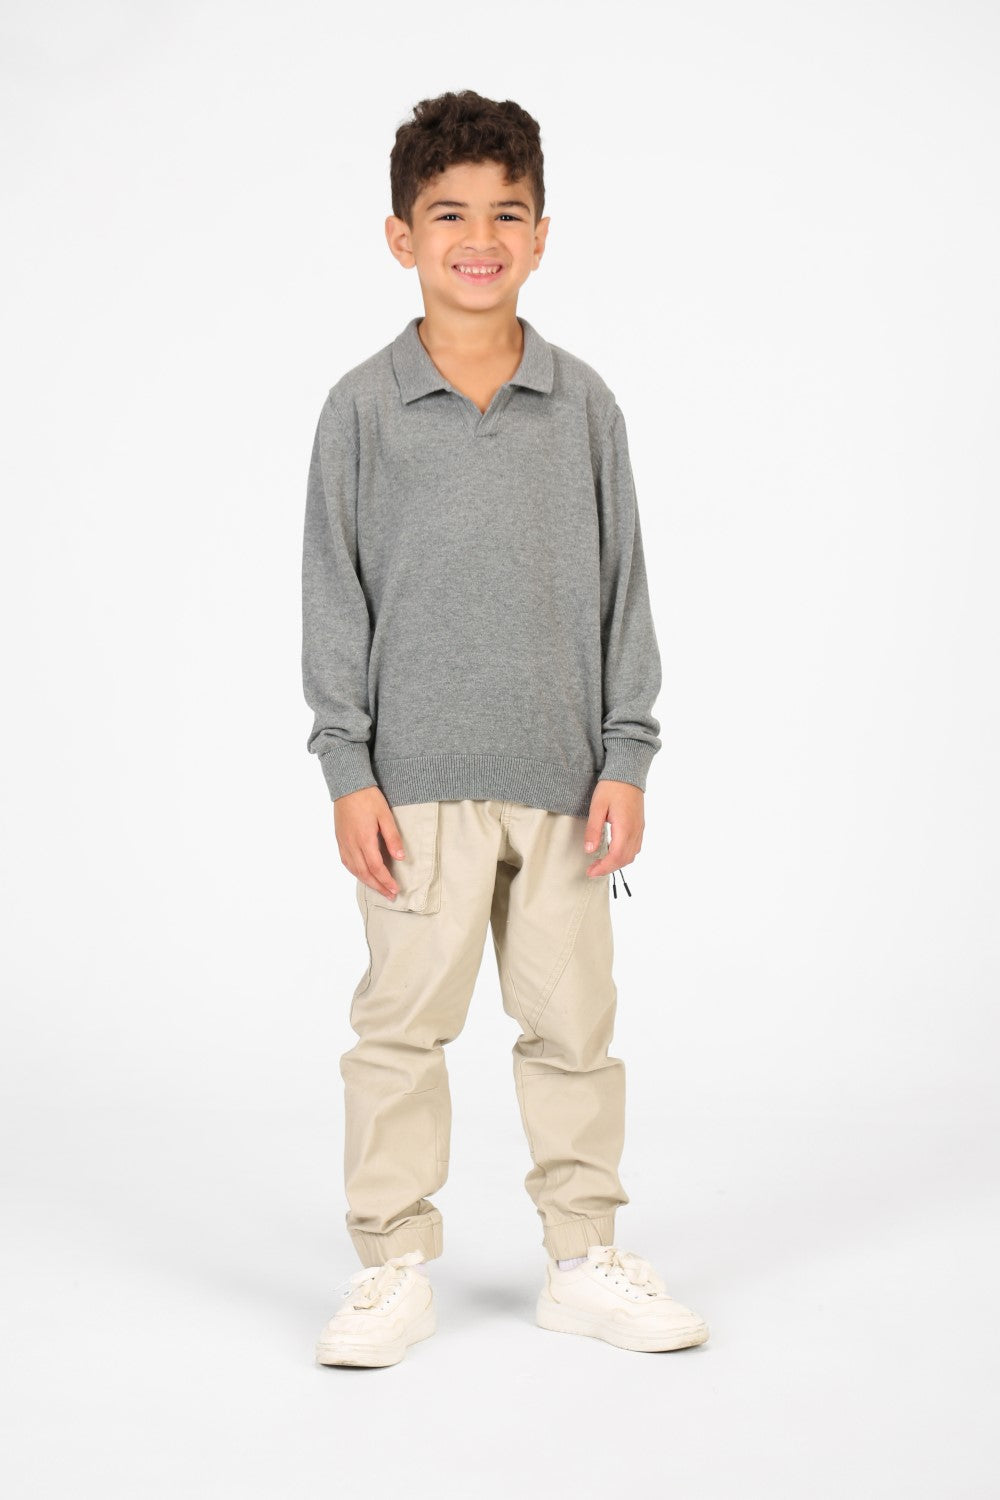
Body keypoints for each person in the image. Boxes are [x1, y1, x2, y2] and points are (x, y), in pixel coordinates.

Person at [302, 88, 709, 1368]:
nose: (478, 238)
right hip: (413, 788)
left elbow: (623, 588)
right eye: (448, 215)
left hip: (562, 787)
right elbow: (333, 595)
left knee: (574, 1031)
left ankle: (582, 1260)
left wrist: (627, 756)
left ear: (540, 234)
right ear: (400, 236)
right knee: (399, 1034)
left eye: (505, 213)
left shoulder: (580, 404)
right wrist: (347, 769)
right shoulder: (361, 410)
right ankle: (390, 1266)